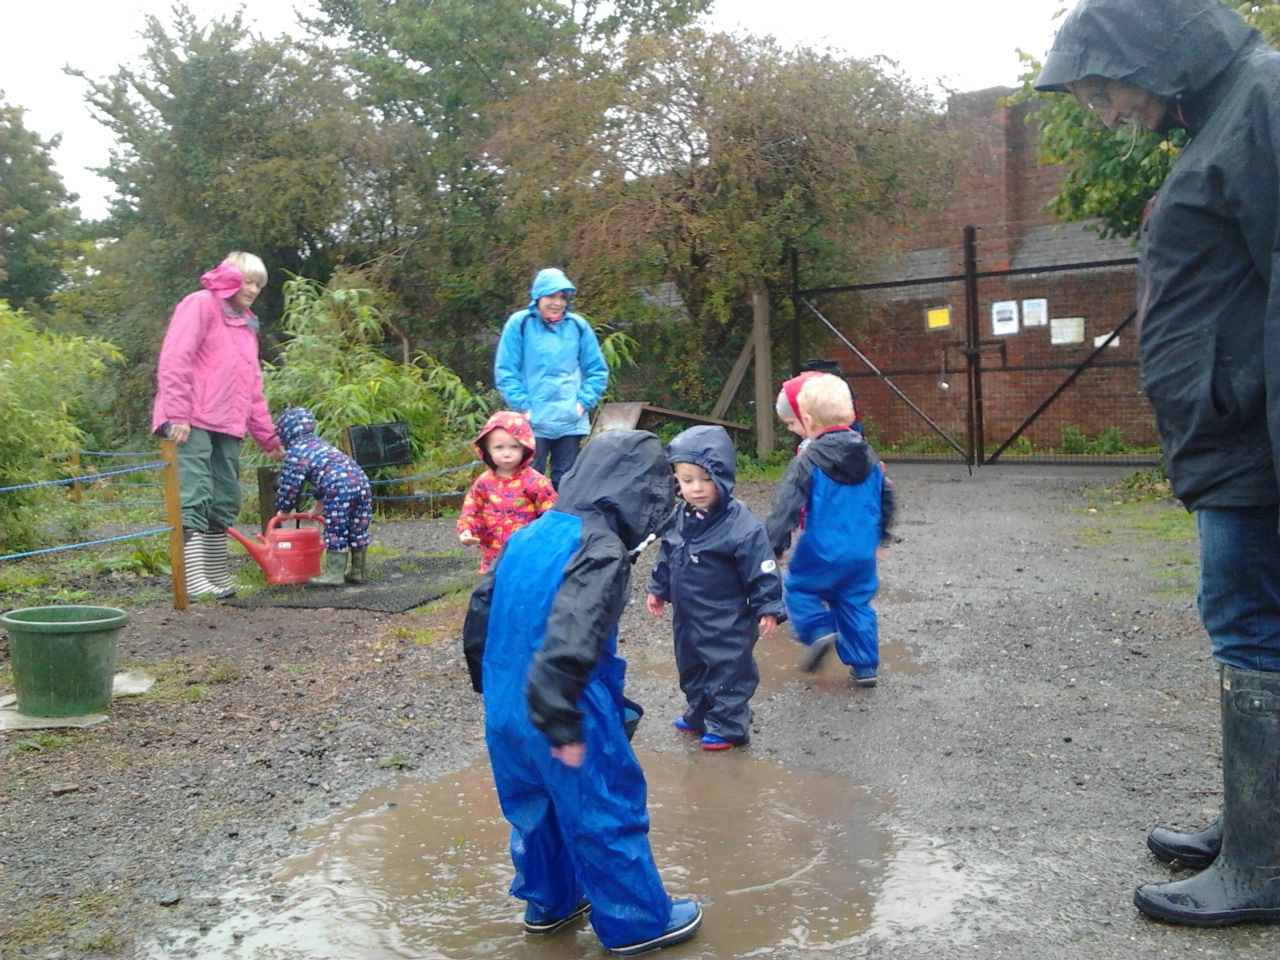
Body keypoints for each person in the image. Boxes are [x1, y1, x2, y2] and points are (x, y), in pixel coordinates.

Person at [1036, 0, 1280, 927]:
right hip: (1233, 441)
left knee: (1252, 632)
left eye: (1102, 90)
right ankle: (1258, 828)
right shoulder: (1225, 111)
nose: (1102, 113)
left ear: (1149, 55)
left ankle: (1263, 864)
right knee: (1252, 629)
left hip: (1256, 449)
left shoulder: (1260, 99)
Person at [462, 429, 703, 956]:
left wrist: (491, 687)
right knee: (603, 809)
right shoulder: (601, 546)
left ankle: (551, 902)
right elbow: (575, 627)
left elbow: (480, 610)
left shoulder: (528, 533)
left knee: (534, 810)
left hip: (506, 707)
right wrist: (558, 717)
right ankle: (639, 923)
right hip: (563, 705)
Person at [151, 252, 284, 600]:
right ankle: (192, 580)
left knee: (225, 498)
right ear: (230, 277)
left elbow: (253, 387)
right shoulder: (199, 304)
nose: (254, 289)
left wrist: (268, 438)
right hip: (190, 418)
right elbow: (174, 357)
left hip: (229, 421)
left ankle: (216, 576)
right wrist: (176, 412)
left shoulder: (246, 324)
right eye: (249, 281)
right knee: (193, 494)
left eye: (259, 284)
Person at [645, 425, 785, 750]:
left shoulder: (742, 525)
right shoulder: (681, 515)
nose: (696, 488)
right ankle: (701, 712)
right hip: (688, 613)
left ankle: (729, 724)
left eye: (705, 479)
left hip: (728, 618)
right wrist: (658, 588)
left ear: (722, 475)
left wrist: (768, 607)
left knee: (728, 669)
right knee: (690, 665)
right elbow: (668, 552)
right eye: (687, 479)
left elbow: (762, 567)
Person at [765, 374, 895, 686]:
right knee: (854, 601)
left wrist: (774, 545)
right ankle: (864, 667)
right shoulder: (868, 454)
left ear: (807, 420)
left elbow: (785, 505)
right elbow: (886, 496)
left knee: (799, 588)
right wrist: (882, 535)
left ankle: (819, 631)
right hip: (862, 552)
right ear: (850, 414)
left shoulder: (808, 458)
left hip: (820, 548)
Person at [493, 268, 609, 488]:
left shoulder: (577, 325)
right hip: (532, 420)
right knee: (528, 482)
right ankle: (529, 524)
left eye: (562, 297)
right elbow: (506, 370)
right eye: (551, 296)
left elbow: (597, 370)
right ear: (538, 296)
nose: (557, 303)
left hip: (570, 421)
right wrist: (523, 407)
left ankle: (560, 523)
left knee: (566, 483)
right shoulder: (521, 324)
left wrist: (582, 403)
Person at [272, 407, 373, 586]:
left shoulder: (295, 452)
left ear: (284, 432)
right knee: (357, 526)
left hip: (337, 487)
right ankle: (359, 570)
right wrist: (318, 505)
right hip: (361, 481)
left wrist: (285, 508)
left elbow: (290, 485)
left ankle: (334, 574)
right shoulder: (319, 443)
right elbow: (322, 474)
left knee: (336, 527)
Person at [456, 410, 557, 572]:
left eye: (514, 447)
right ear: (487, 449)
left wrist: (548, 541)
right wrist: (467, 529)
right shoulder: (483, 483)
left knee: (523, 588)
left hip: (527, 554)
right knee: (492, 590)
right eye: (499, 447)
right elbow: (472, 510)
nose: (507, 454)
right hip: (492, 555)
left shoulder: (535, 481)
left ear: (525, 448)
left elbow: (550, 513)